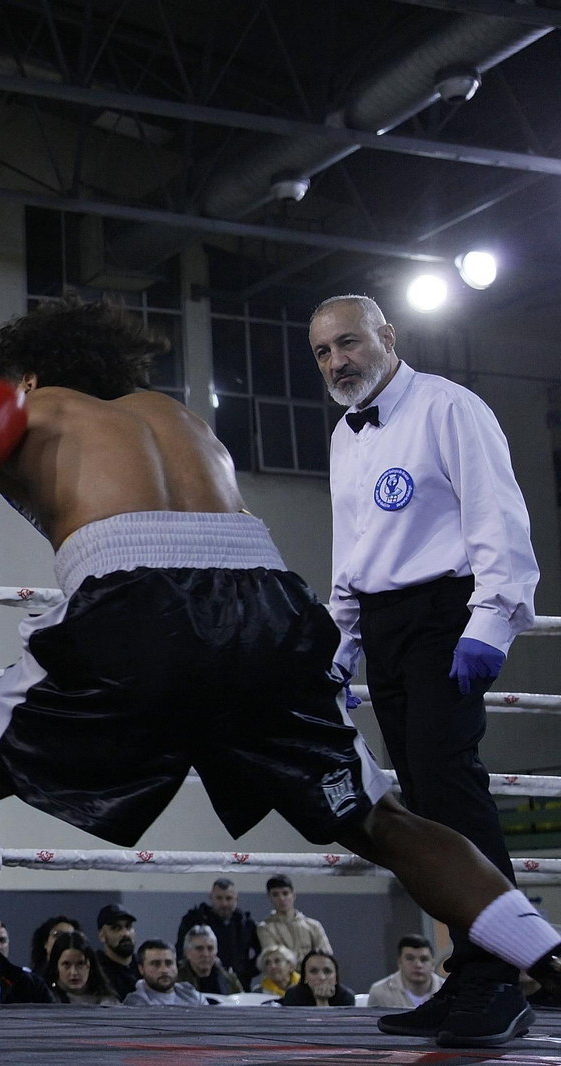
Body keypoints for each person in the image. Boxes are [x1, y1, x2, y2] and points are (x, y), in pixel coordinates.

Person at [0, 295, 561, 1062]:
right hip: (267, 607)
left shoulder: (23, 412)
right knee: (379, 817)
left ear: (23, 377)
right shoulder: (182, 420)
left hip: (138, 608)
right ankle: (549, 962)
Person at [312, 293, 540, 1046]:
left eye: (348, 343)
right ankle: (468, 973)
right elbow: (353, 550)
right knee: (423, 807)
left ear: (387, 336)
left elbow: (499, 520)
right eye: (323, 353)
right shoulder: (346, 435)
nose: (338, 362)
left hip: (446, 618)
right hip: (383, 626)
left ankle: (501, 979)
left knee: (453, 792)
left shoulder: (451, 408)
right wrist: (344, 643)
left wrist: (491, 623)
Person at [176, 877, 259, 987]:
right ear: (211, 897)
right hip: (197, 983)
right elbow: (181, 951)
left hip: (237, 983)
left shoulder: (246, 923)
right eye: (219, 898)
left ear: (236, 898)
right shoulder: (194, 919)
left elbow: (263, 954)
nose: (224, 903)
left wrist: (245, 971)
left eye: (228, 898)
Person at [256, 875, 332, 962]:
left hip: (312, 974)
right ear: (269, 897)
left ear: (294, 895)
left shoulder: (313, 925)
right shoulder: (265, 928)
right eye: (275, 894)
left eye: (285, 893)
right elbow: (275, 960)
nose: (281, 898)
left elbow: (326, 956)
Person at [368, 935, 444, 1009]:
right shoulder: (379, 992)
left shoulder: (450, 991)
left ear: (433, 964)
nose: (418, 965)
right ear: (400, 962)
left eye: (424, 959)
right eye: (410, 958)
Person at [45, 931, 120, 1006]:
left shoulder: (109, 1004)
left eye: (80, 964)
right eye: (66, 964)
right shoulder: (45, 999)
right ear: (56, 967)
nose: (74, 972)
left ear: (90, 965)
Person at [124, 941, 209, 1007]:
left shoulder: (191, 994)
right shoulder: (135, 1002)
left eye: (169, 963)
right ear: (141, 969)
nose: (164, 970)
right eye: (155, 964)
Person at [92, 904, 139, 1000]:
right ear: (102, 936)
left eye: (128, 926)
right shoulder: (96, 970)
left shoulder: (144, 966)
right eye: (116, 928)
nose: (125, 933)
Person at [278, 950, 356, 1007]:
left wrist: (323, 1002)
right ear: (305, 977)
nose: (321, 977)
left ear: (336, 977)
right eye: (313, 971)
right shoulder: (293, 995)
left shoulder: (346, 997)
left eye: (327, 971)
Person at [181, 925, 243, 995]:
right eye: (199, 949)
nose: (205, 954)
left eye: (210, 948)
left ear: (216, 951)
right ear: (187, 953)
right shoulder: (176, 982)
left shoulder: (228, 980)